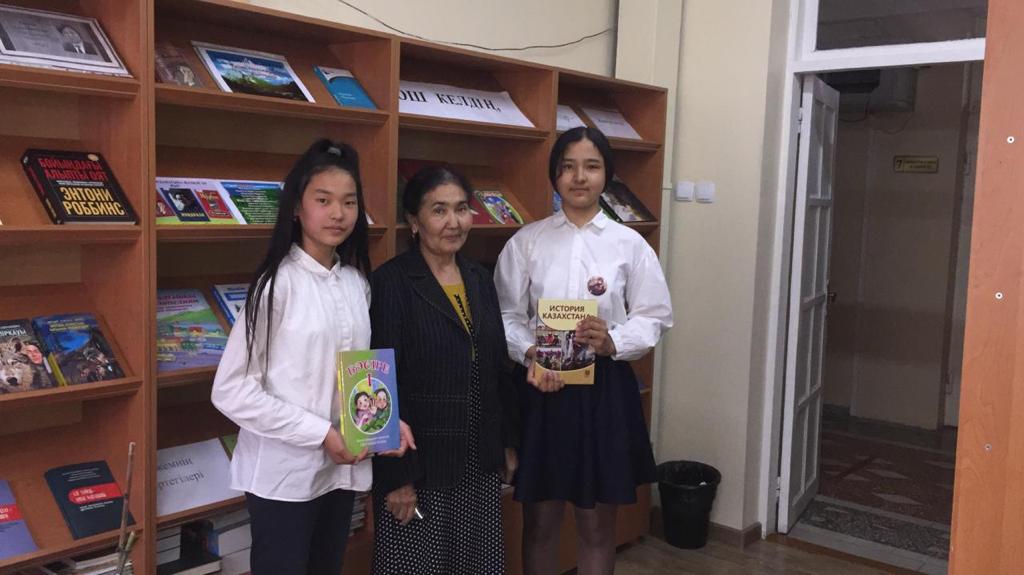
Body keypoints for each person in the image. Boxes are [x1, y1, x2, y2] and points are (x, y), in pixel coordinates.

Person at [211, 139, 411, 575]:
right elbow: (231, 391)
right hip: (285, 475)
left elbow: (358, 375)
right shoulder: (275, 286)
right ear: (297, 209)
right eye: (323, 200)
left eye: (349, 202)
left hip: (341, 470)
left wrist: (382, 420)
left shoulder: (356, 283)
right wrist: (320, 434)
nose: (338, 213)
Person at [495, 126, 674, 575]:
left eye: (591, 166)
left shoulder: (629, 244)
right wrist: (530, 351)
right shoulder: (527, 242)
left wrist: (614, 341)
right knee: (540, 521)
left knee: (597, 526)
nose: (579, 177)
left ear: (606, 174)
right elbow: (504, 315)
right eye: (568, 167)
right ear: (554, 175)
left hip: (604, 391)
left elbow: (654, 316)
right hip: (542, 388)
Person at [370, 165, 519, 574]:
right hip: (420, 465)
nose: (454, 222)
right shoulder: (391, 282)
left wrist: (506, 443)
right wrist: (397, 476)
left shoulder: (479, 278)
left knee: (476, 562)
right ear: (414, 222)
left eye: (461, 208)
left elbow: (497, 368)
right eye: (439, 210)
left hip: (478, 459)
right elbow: (378, 382)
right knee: (417, 564)